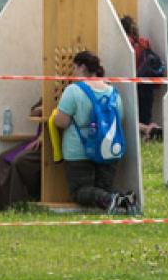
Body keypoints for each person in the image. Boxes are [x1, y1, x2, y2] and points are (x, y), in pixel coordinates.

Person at [53, 50, 135, 213]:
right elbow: (120, 117)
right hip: (108, 149)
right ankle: (122, 198)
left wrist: (54, 116)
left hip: (79, 150)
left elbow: (62, 122)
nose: (73, 72)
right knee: (103, 187)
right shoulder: (113, 92)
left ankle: (111, 199)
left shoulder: (73, 90)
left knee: (79, 191)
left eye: (74, 68)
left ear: (82, 67)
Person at [0, 100, 42, 210]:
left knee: (18, 161)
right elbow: (33, 112)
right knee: (1, 159)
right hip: (36, 139)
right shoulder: (47, 94)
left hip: (48, 143)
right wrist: (41, 109)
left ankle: (16, 205)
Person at [120, 15, 163, 141]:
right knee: (145, 117)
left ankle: (147, 138)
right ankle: (152, 135)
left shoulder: (127, 43)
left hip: (135, 86)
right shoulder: (142, 43)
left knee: (135, 119)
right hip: (147, 86)